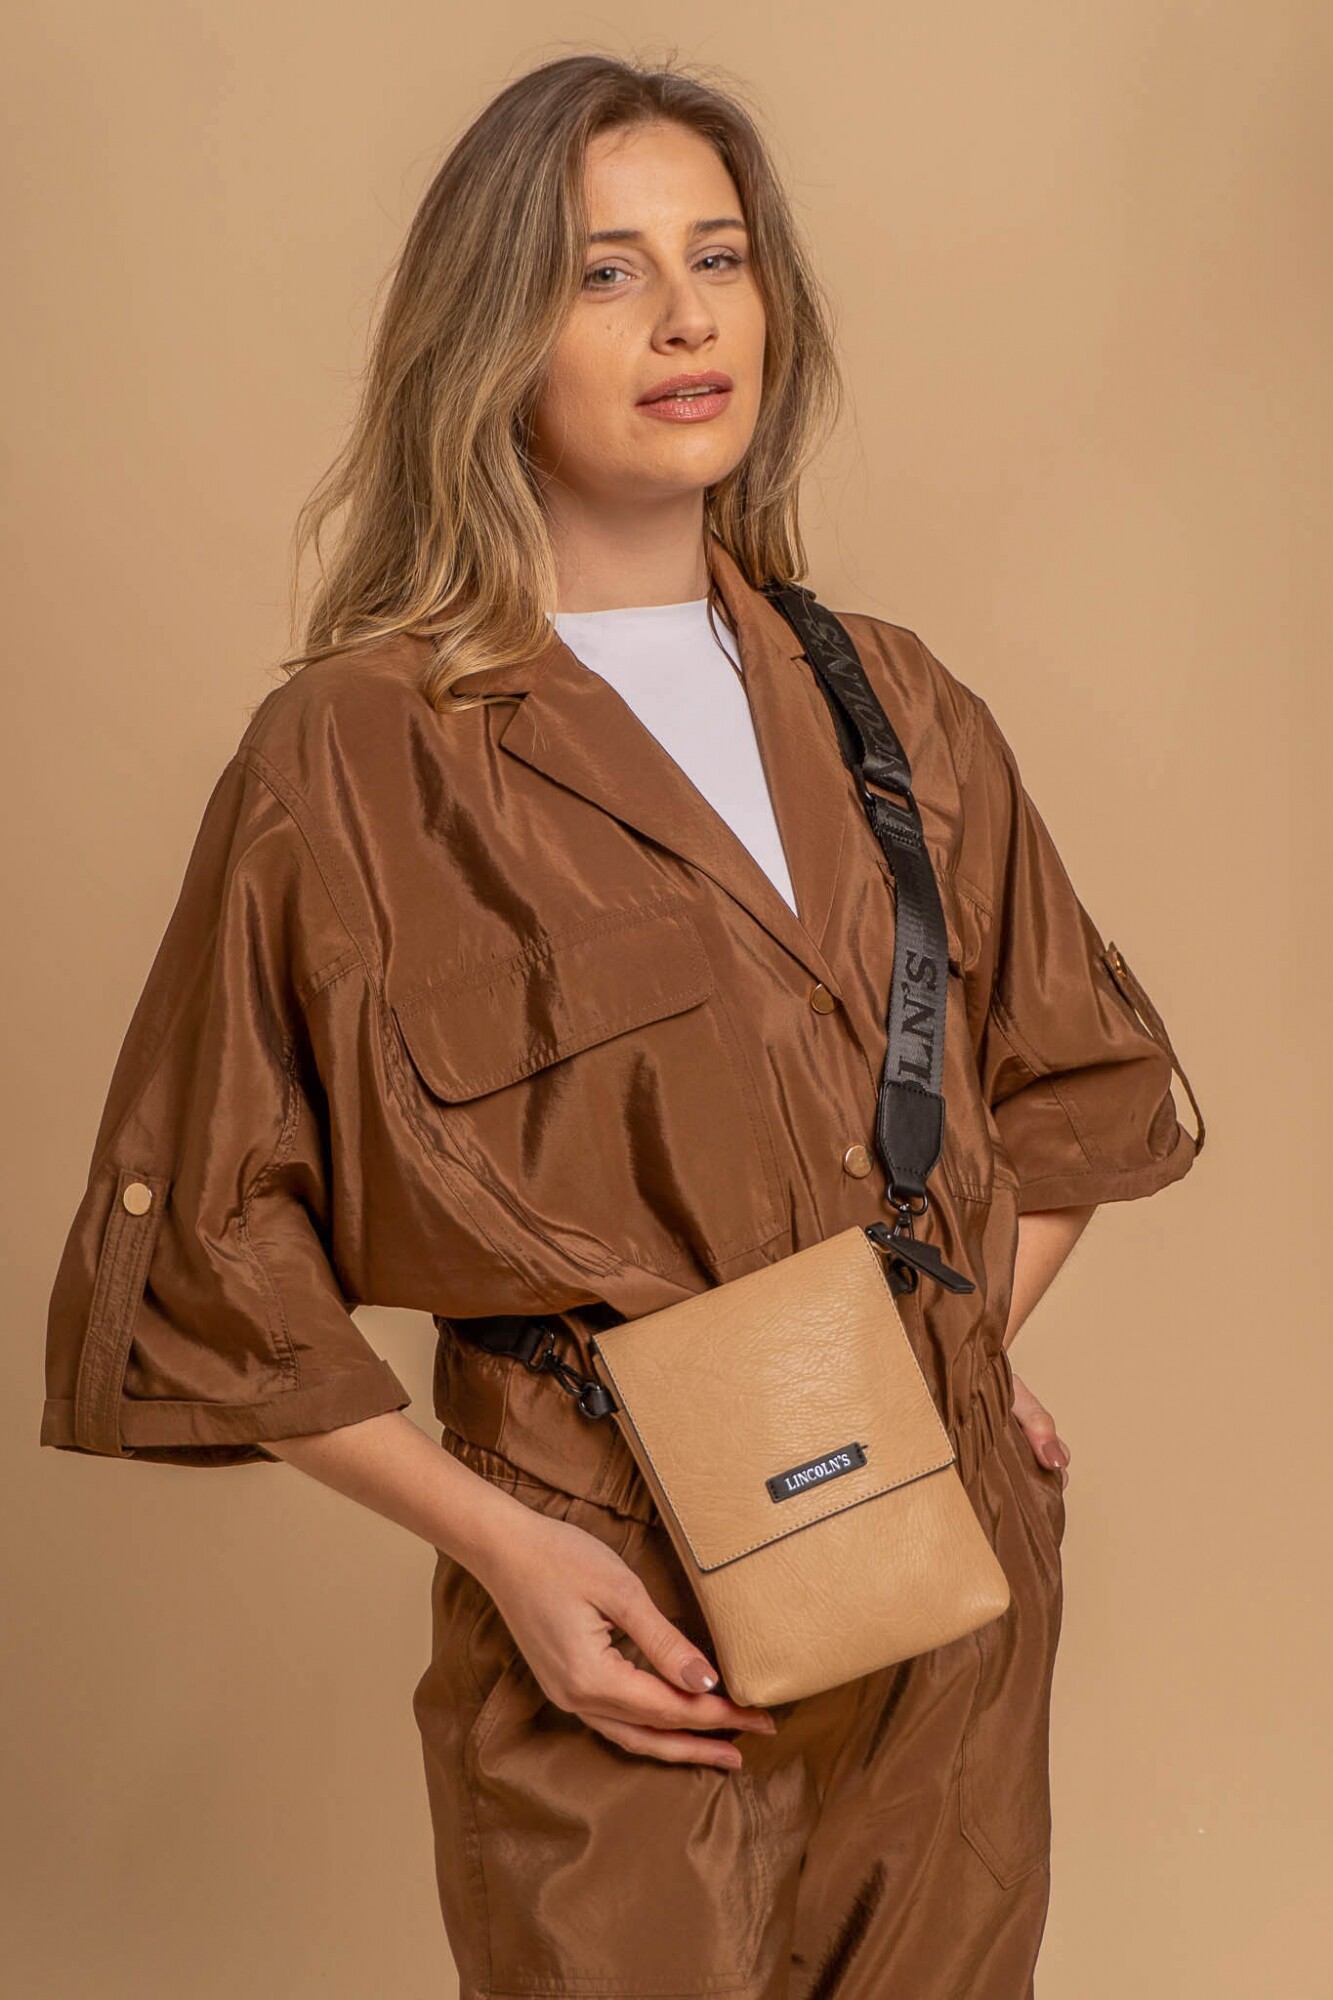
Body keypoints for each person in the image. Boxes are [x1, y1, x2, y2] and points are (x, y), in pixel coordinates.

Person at [40, 51, 1206, 2000]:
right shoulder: (357, 755)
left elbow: (1072, 1085)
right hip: (614, 1611)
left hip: (943, 1601)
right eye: (605, 272)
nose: (685, 318)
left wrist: (932, 1358)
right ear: (488, 338)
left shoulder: (896, 702)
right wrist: (505, 1549)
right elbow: (208, 1243)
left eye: (718, 258)